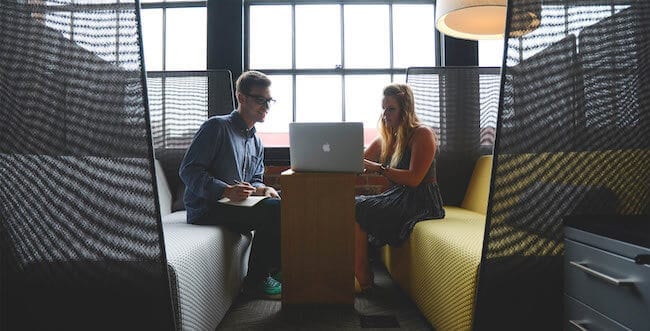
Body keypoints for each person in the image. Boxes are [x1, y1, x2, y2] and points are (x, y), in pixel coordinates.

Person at [179, 70, 282, 299]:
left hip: (236, 206)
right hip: (207, 208)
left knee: (285, 201)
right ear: (241, 97)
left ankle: (277, 268)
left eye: (269, 100)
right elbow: (188, 170)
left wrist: (263, 189)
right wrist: (225, 190)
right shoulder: (216, 127)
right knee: (277, 210)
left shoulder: (256, 141)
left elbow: (255, 178)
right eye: (260, 100)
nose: (266, 106)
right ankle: (256, 281)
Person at [354, 83, 445, 292]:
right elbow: (358, 163)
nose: (385, 114)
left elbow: (414, 179)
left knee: (358, 207)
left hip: (422, 200)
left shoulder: (422, 134)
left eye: (391, 109)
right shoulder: (387, 137)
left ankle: (363, 276)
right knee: (352, 204)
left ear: (405, 110)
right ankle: (359, 271)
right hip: (397, 196)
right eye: (383, 109)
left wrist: (378, 168)